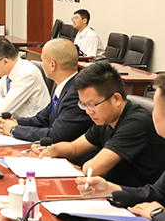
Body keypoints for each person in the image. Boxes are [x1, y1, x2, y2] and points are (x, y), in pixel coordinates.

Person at [34, 62, 165, 187]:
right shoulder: (106, 118)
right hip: (112, 192)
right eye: (83, 104)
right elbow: (74, 148)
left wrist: (76, 166)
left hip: (136, 197)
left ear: (116, 99)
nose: (88, 111)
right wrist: (51, 150)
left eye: (92, 104)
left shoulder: (136, 123)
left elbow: (93, 169)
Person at [76, 74, 165, 221]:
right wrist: (109, 189)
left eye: (155, 108)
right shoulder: (106, 121)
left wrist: (158, 214)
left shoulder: (138, 121)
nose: (151, 113)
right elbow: (156, 193)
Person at [0, 38, 93, 143]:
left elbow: (56, 135)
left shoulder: (77, 93)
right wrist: (15, 122)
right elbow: (42, 119)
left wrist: (14, 130)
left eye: (43, 60)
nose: (42, 64)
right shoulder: (62, 86)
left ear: (52, 65)